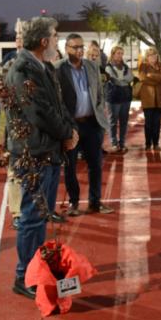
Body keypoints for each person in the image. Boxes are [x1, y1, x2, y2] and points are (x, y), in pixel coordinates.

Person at [6, 17, 78, 299]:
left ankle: (35, 269)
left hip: (48, 151)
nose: (58, 40)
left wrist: (70, 129)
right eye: (55, 36)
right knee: (32, 218)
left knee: (40, 217)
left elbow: (57, 106)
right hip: (34, 153)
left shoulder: (43, 67)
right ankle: (24, 276)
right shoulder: (23, 69)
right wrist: (65, 134)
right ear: (44, 41)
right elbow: (39, 112)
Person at [57, 34, 114, 216]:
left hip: (91, 123)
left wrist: (99, 111)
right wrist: (65, 124)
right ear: (67, 48)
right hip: (71, 125)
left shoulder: (92, 66)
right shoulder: (58, 69)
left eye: (82, 46)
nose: (80, 50)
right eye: (75, 47)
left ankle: (95, 202)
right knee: (70, 166)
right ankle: (74, 203)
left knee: (95, 164)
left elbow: (99, 93)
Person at [137, 49, 161, 151]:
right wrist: (157, 79)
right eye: (150, 55)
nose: (153, 57)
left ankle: (156, 143)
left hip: (159, 98)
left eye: (154, 55)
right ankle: (147, 143)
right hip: (148, 98)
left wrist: (151, 76)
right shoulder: (143, 66)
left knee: (157, 123)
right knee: (148, 123)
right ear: (147, 57)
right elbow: (143, 78)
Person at [104, 46, 133, 153]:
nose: (120, 55)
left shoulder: (125, 66)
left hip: (126, 97)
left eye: (121, 53)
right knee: (113, 121)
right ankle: (114, 143)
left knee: (124, 122)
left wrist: (123, 81)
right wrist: (124, 81)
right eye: (118, 53)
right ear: (113, 54)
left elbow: (131, 77)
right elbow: (115, 80)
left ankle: (122, 143)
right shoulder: (108, 67)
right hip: (113, 98)